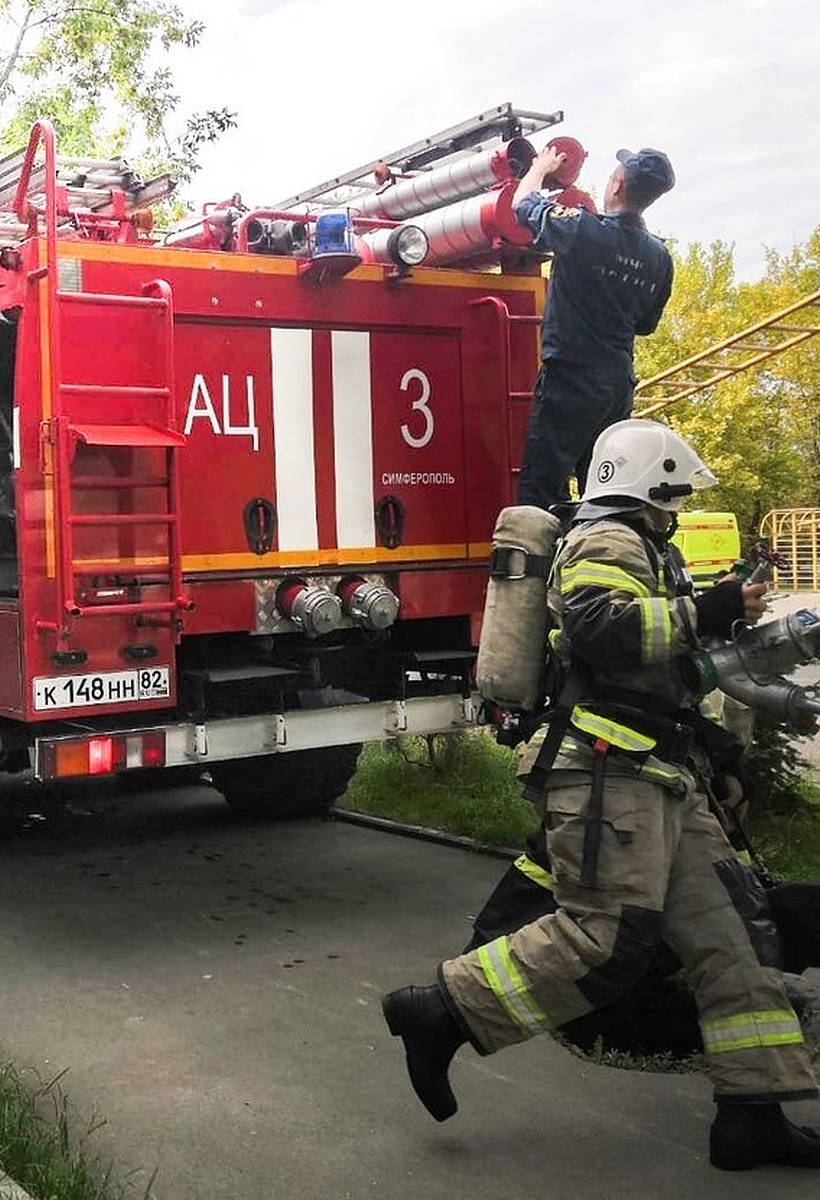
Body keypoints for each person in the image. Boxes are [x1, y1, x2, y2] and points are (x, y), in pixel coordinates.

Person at [381, 419, 820, 1171]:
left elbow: (669, 675)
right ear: (649, 484)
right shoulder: (606, 542)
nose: (679, 505)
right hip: (609, 772)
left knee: (735, 937)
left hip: (662, 771)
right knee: (605, 935)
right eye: (674, 492)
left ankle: (753, 1114)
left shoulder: (647, 547)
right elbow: (602, 634)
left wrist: (718, 748)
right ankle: (440, 1011)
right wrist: (706, 611)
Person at [514, 146, 675, 512]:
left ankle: (542, 566)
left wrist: (540, 168)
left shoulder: (582, 230)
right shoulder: (659, 258)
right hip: (618, 387)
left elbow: (523, 204)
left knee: (541, 492)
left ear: (617, 184)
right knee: (604, 490)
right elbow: (646, 325)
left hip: (570, 379)